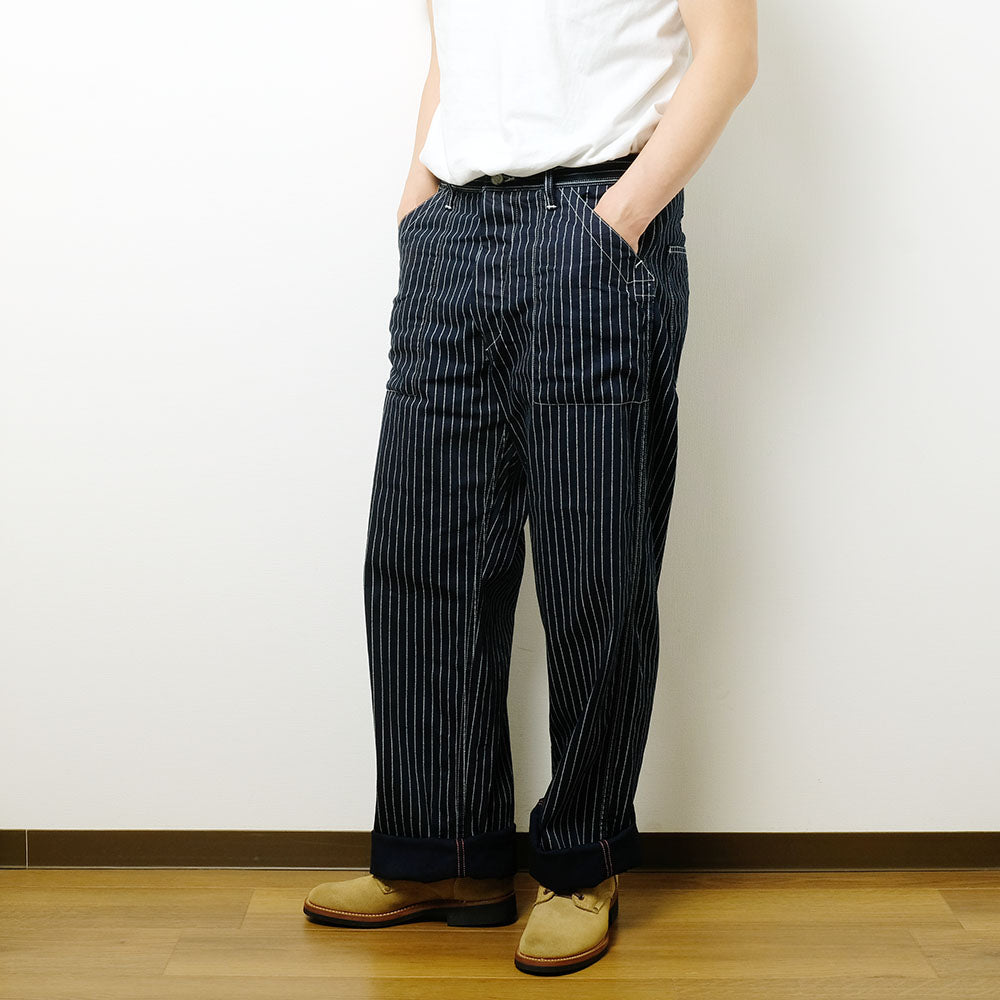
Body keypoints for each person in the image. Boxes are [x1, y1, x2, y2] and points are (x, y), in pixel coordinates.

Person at [305, 0, 757, 976]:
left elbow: (728, 54)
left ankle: (579, 863)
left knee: (595, 566)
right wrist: (419, 200)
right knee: (423, 556)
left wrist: (619, 219)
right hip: (453, 229)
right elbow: (456, 53)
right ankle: (446, 856)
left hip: (593, 221)